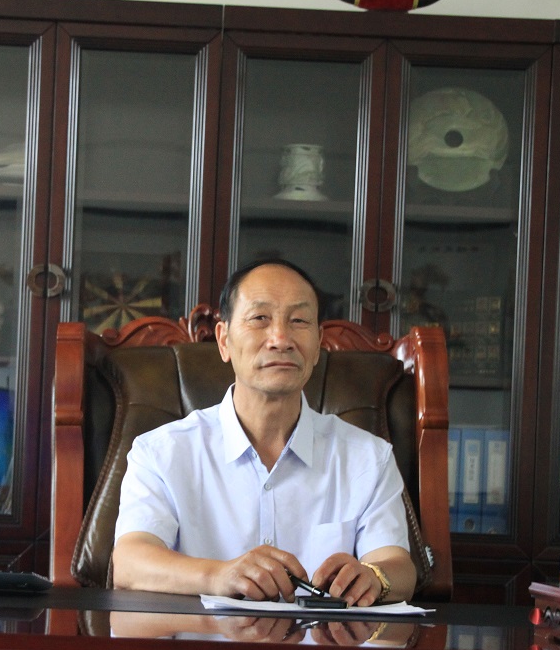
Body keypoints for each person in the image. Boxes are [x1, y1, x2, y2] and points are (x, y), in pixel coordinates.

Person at [111, 258, 416, 606]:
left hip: (324, 640)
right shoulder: (161, 452)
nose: (280, 339)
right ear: (224, 341)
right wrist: (220, 576)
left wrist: (375, 577)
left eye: (298, 321)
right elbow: (130, 563)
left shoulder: (367, 457)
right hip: (203, 640)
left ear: (318, 343)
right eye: (260, 318)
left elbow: (398, 566)